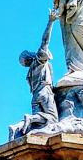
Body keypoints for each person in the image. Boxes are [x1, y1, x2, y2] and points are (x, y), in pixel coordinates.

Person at [8, 10, 59, 141]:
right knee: (53, 119)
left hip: (35, 96)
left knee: (38, 124)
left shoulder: (30, 73)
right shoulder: (39, 62)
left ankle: (17, 127)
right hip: (44, 92)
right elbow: (45, 41)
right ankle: (29, 118)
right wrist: (51, 21)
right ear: (31, 57)